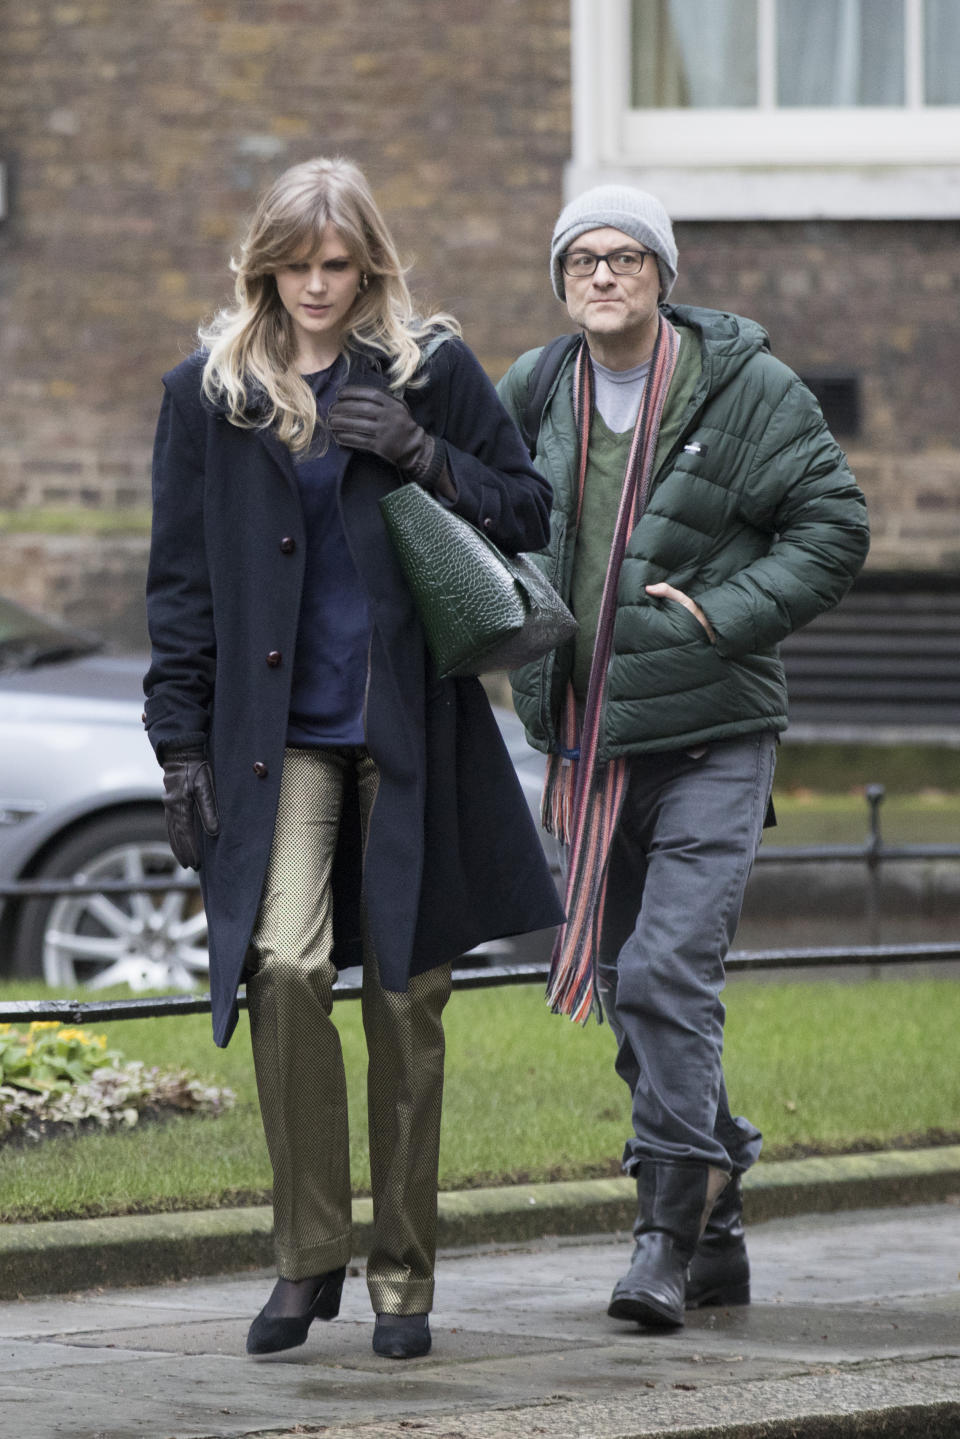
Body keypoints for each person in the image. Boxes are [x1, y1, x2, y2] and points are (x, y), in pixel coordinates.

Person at [143, 156, 563, 1361]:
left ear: (369, 263)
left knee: (406, 994)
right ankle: (307, 1253)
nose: (317, 286)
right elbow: (180, 585)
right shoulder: (206, 394)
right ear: (263, 262)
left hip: (410, 727)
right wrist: (179, 747)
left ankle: (404, 1273)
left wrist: (426, 454)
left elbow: (527, 506)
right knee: (282, 966)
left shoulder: (429, 368)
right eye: (297, 262)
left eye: (339, 264)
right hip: (278, 746)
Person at [498, 185, 869, 1330]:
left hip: (712, 729)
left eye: (625, 257)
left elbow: (835, 527)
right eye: (582, 259)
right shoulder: (533, 388)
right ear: (562, 278)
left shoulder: (745, 386)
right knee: (625, 987)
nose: (603, 275)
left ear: (663, 273)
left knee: (666, 975)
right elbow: (481, 514)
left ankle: (661, 1236)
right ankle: (721, 1206)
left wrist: (719, 611)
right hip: (586, 737)